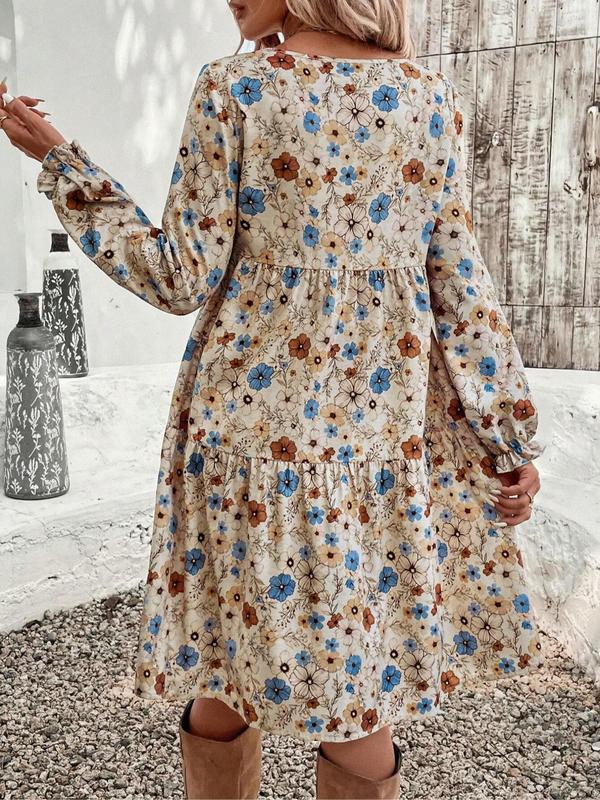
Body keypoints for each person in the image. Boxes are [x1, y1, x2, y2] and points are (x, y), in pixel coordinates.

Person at [0, 1, 546, 797]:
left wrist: (62, 164)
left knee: (224, 663)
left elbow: (179, 276)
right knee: (359, 691)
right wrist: (507, 433)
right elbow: (461, 284)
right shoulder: (432, 99)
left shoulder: (237, 87)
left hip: (243, 441)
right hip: (374, 445)